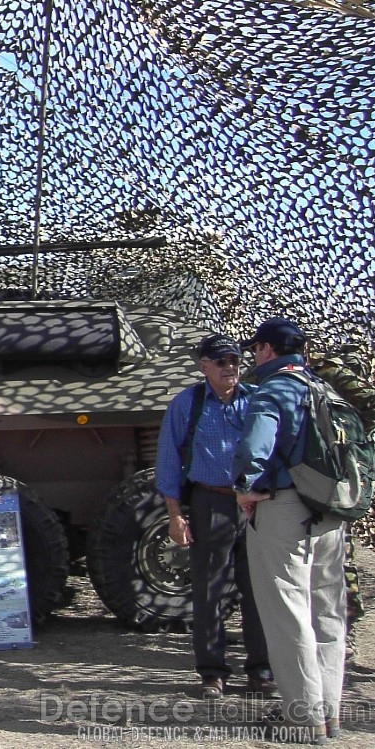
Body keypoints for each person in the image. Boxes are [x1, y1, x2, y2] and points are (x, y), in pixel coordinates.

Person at [235, 317, 345, 744]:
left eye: (255, 348)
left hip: (284, 510)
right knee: (327, 611)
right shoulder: (324, 388)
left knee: (288, 614)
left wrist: (245, 488)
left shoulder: (273, 389)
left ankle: (304, 719)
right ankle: (328, 714)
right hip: (329, 510)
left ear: (267, 349)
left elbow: (252, 447)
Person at [156, 332, 272, 699]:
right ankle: (212, 673)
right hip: (211, 503)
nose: (230, 367)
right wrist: (175, 516)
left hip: (255, 505)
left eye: (235, 360)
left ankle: (261, 670)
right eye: (221, 361)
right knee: (209, 590)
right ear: (203, 366)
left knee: (259, 592)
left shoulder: (255, 401)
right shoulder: (187, 405)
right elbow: (169, 461)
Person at [308, 349, 373, 663]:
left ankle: (342, 633)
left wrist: (356, 446)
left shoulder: (328, 372)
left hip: (333, 475)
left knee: (336, 557)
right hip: (313, 474)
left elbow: (370, 401)